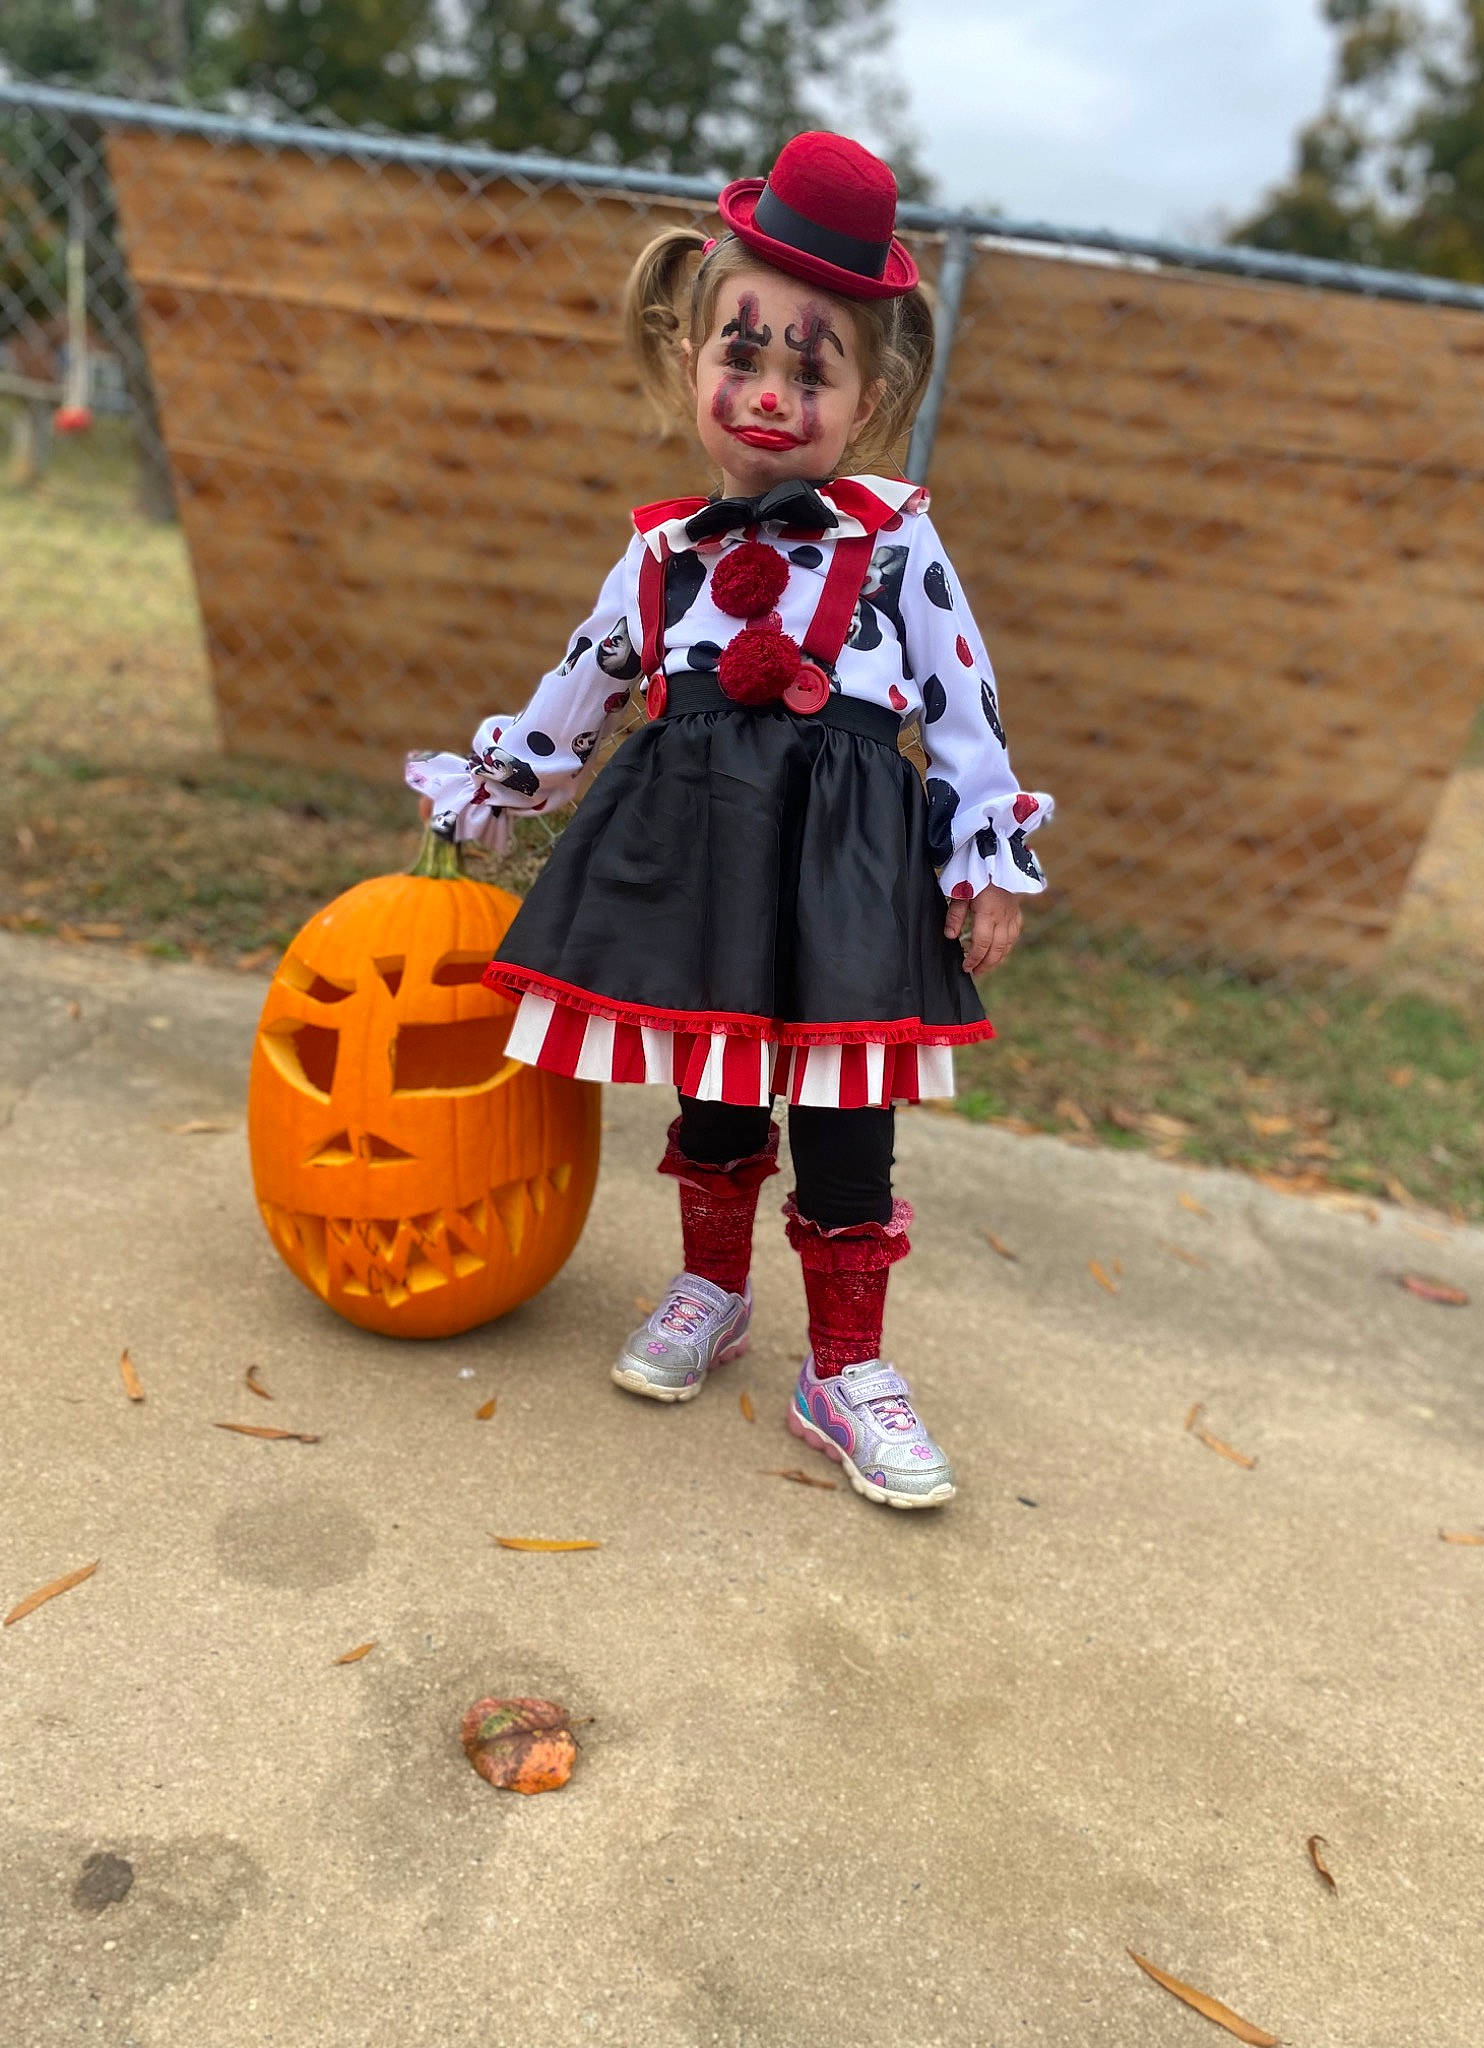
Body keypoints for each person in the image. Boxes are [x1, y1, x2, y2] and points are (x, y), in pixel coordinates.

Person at [407, 131, 1052, 1510]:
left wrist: (986, 855)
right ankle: (709, 1285)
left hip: (847, 873)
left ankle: (847, 1368)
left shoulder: (897, 545)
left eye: (810, 371)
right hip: (700, 859)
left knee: (843, 1117)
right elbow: (577, 693)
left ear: (869, 395)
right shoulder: (656, 558)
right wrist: (495, 792)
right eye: (740, 360)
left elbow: (968, 706)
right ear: (690, 361)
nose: (769, 395)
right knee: (715, 1091)